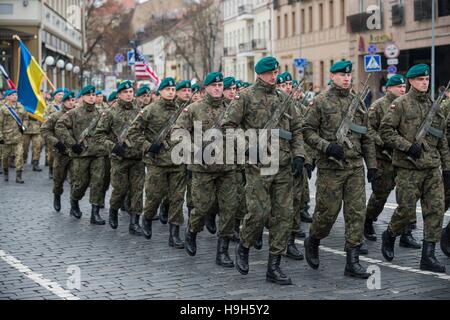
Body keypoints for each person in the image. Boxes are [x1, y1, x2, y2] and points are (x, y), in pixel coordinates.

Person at [221, 56, 306, 285]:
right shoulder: (245, 97)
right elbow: (228, 126)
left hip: (284, 165)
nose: (273, 76)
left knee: (283, 215)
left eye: (275, 72)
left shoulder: (285, 98)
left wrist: (299, 154)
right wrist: (248, 149)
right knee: (258, 213)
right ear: (259, 74)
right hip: (258, 166)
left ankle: (274, 266)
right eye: (269, 73)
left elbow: (298, 128)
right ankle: (244, 246)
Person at [302, 61, 377, 279]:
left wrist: (371, 166)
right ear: (332, 76)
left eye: (349, 75)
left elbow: (367, 136)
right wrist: (327, 146)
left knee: (356, 213)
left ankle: (352, 261)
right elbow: (307, 130)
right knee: (327, 214)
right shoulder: (321, 101)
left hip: (354, 167)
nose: (346, 78)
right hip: (330, 168)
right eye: (341, 75)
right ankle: (314, 239)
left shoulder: (359, 103)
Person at [380, 64, 450, 273]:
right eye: (420, 79)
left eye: (427, 79)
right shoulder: (400, 104)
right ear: (410, 81)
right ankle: (390, 234)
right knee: (406, 211)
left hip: (431, 168)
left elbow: (442, 139)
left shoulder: (434, 106)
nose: (424, 82)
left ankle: (427, 256)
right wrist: (407, 147)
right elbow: (386, 131)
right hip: (408, 168)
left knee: (435, 210)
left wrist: (447, 168)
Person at [127, 77, 187, 248]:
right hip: (157, 162)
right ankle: (147, 218)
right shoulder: (150, 110)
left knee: (177, 199)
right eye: (167, 89)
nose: (170, 92)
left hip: (177, 160)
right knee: (154, 197)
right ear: (160, 91)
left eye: (173, 89)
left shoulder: (183, 110)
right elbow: (133, 132)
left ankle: (174, 235)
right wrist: (147, 146)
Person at [364, 74, 420, 249]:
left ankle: (406, 232)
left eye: (404, 87)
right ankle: (368, 219)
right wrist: (383, 142)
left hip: (404, 158)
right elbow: (368, 131)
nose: (402, 89)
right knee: (380, 195)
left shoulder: (409, 104)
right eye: (398, 87)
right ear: (388, 88)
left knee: (407, 196)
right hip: (385, 159)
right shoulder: (378, 106)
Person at [95, 80, 145, 235]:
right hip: (119, 158)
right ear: (119, 95)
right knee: (120, 189)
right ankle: (114, 210)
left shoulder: (140, 110)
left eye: (131, 92)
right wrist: (113, 147)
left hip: (137, 158)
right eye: (125, 92)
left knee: (137, 191)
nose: (129, 95)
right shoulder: (110, 112)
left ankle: (135, 223)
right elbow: (99, 135)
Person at [55, 85, 107, 225]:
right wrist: (72, 144)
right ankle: (74, 203)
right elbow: (59, 126)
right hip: (81, 154)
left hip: (98, 153)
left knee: (98, 182)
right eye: (88, 95)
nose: (91, 97)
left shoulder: (102, 113)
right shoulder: (74, 113)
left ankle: (94, 213)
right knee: (80, 184)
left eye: (93, 95)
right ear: (83, 97)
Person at [41, 91, 76, 212]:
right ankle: (57, 196)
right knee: (58, 179)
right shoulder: (55, 115)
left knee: (76, 180)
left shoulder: (78, 114)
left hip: (76, 153)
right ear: (64, 102)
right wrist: (56, 142)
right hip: (61, 153)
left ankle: (74, 205)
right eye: (68, 100)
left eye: (73, 100)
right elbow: (45, 130)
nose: (71, 103)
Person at [0, 89, 29, 183]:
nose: (15, 97)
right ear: (8, 97)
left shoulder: (21, 107)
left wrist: (24, 126)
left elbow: (25, 118)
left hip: (18, 137)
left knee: (19, 156)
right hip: (6, 138)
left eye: (16, 95)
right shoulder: (3, 109)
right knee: (5, 158)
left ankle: (18, 176)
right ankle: (5, 172)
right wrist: (0, 136)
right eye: (12, 95)